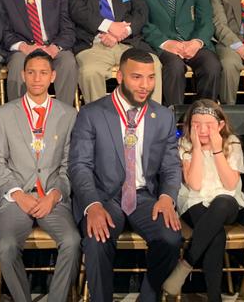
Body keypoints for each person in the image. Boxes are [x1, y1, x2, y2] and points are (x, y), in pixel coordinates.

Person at [69, 48, 182, 301]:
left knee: (171, 238)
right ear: (119, 76)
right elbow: (79, 165)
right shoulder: (92, 114)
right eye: (137, 77)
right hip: (104, 196)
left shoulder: (163, 116)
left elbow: (171, 166)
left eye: (151, 77)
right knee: (97, 240)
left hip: (144, 197)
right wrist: (92, 205)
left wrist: (167, 197)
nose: (145, 86)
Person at [0, 50, 80, 302]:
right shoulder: (3, 114)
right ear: (22, 75)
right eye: (31, 72)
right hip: (15, 197)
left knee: (72, 242)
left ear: (53, 76)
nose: (37, 79)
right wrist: (17, 195)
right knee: (7, 247)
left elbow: (68, 165)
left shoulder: (68, 115)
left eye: (43, 73)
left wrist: (54, 195)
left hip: (51, 197)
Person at [163, 99, 244, 300]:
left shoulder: (232, 142)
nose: (202, 130)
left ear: (220, 125)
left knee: (222, 202)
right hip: (195, 201)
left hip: (227, 203)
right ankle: (214, 297)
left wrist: (217, 149)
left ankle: (186, 264)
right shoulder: (184, 144)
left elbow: (229, 185)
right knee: (215, 235)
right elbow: (195, 184)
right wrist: (198, 150)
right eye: (196, 125)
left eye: (208, 125)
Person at [65, 0, 163, 104]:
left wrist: (119, 33)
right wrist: (109, 26)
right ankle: (98, 124)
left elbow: (141, 12)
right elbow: (78, 11)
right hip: (93, 44)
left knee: (152, 64)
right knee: (89, 72)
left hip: (128, 43)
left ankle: (150, 121)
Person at [137, 0, 221, 107]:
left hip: (192, 42)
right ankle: (174, 118)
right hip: (163, 45)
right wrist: (166, 43)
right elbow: (143, 22)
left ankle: (205, 113)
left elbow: (206, 20)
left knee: (212, 65)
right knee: (174, 67)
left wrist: (196, 42)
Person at [0, 0, 78, 105]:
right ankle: (18, 118)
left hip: (53, 47)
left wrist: (55, 48)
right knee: (17, 64)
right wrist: (23, 47)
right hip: (24, 49)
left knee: (68, 61)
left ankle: (64, 117)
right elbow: (4, 31)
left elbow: (68, 29)